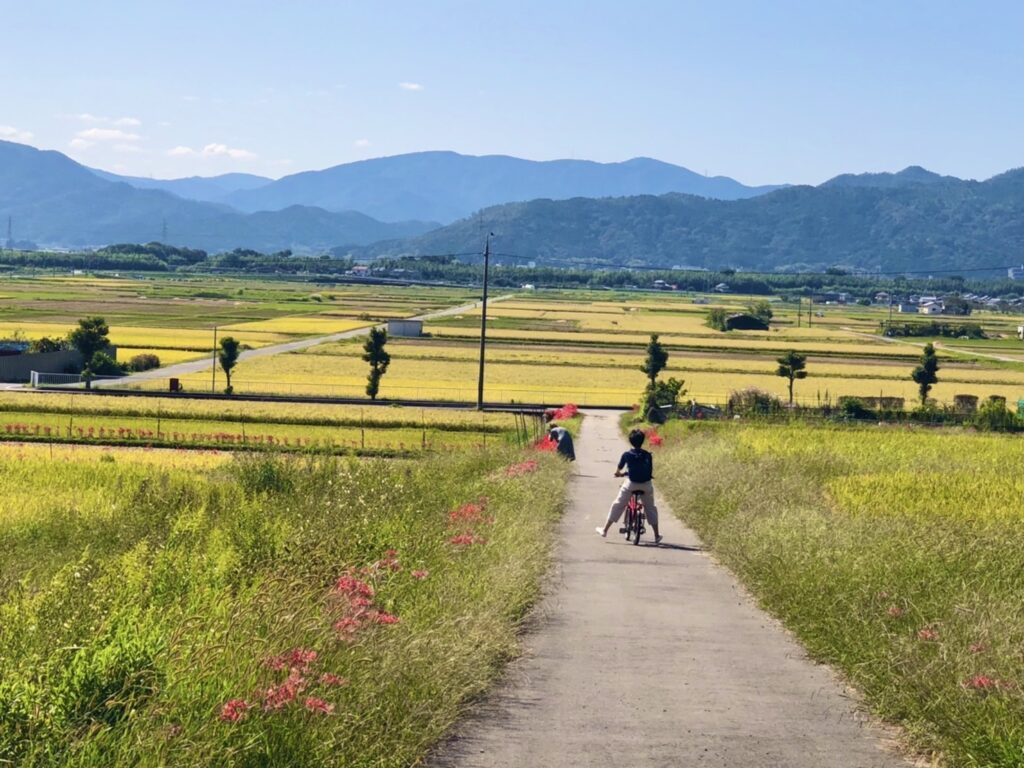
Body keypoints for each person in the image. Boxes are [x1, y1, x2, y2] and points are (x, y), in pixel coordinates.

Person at [596, 428, 662, 543]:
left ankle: (605, 530)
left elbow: (620, 467)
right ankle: (656, 535)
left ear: (630, 441)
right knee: (650, 508)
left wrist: (619, 474)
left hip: (631, 484)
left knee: (618, 504)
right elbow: (648, 470)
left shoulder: (627, 454)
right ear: (642, 441)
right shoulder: (648, 455)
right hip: (646, 485)